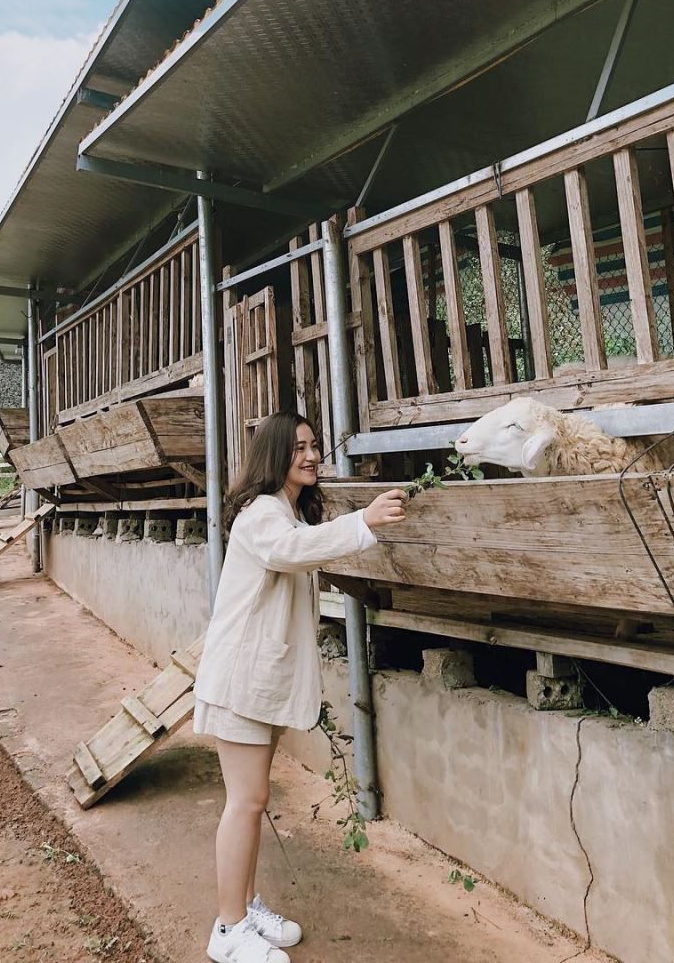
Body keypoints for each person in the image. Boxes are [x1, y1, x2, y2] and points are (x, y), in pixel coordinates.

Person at [193, 410, 407, 963]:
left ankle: (243, 907)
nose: (311, 456)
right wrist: (364, 522)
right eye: (298, 449)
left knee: (253, 800)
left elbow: (303, 546)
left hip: (258, 681)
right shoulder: (263, 515)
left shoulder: (285, 512)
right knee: (246, 801)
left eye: (313, 446)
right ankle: (228, 929)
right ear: (274, 456)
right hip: (240, 680)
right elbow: (293, 551)